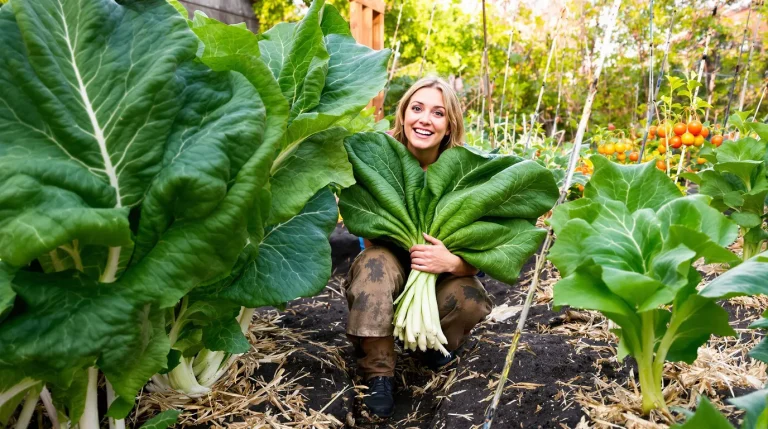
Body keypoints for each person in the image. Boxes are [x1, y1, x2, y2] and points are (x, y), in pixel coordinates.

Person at [344, 77, 494, 418]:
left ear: (449, 125)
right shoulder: (379, 156)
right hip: (391, 265)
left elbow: (483, 253)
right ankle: (378, 371)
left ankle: (428, 345)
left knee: (470, 298)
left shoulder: (465, 171)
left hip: (438, 277)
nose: (425, 119)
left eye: (437, 113)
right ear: (404, 114)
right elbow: (365, 228)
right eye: (417, 108)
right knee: (374, 266)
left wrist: (452, 261)